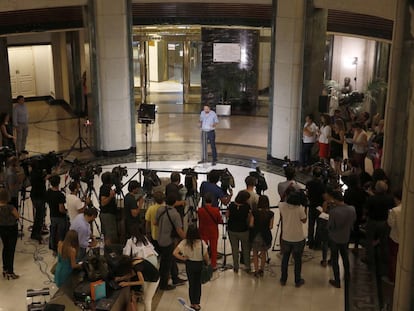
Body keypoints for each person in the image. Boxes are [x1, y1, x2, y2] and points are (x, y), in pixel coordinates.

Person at [173, 225, 209, 311]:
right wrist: (208, 264)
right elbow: (206, 256)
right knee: (198, 285)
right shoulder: (201, 242)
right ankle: (197, 303)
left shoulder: (184, 242)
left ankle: (192, 303)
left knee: (191, 284)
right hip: (199, 265)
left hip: (189, 264)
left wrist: (183, 258)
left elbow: (174, 253)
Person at [155, 193, 186, 290]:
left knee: (171, 259)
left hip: (159, 239)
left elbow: (155, 223)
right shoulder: (175, 214)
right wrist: (187, 239)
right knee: (166, 264)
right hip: (168, 241)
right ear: (175, 202)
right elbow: (179, 230)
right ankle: (163, 284)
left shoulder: (160, 209)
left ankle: (175, 277)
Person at [363, 180, 394, 276]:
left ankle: (369, 259)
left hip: (372, 221)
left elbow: (366, 210)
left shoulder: (371, 199)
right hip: (385, 222)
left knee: (369, 240)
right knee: (384, 241)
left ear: (376, 188)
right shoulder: (390, 199)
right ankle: (385, 260)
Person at [326, 189, 356, 288]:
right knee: (345, 256)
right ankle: (347, 276)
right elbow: (353, 221)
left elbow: (330, 226)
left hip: (335, 238)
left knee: (334, 259)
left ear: (334, 199)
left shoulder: (334, 211)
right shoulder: (352, 209)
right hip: (346, 236)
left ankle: (337, 281)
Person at [279, 188, 307, 287]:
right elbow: (304, 220)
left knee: (285, 259)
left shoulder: (282, 206)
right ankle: (297, 280)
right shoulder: (300, 209)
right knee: (298, 261)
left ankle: (283, 279)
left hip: (286, 237)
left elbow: (282, 199)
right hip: (298, 238)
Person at [226, 190, 251, 273]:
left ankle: (236, 267)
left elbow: (227, 215)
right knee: (245, 249)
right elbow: (249, 218)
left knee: (234, 249)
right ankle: (247, 266)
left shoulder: (231, 205)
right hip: (243, 230)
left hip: (232, 229)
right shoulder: (247, 207)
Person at [249, 195, 274, 277]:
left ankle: (256, 271)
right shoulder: (270, 213)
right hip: (265, 236)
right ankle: (261, 270)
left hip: (255, 235)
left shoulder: (254, 212)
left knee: (255, 253)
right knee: (263, 253)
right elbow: (271, 226)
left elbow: (251, 224)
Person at [197, 192, 222, 270]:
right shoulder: (216, 210)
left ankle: (203, 263)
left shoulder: (200, 210)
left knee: (203, 248)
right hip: (213, 231)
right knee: (214, 249)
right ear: (212, 200)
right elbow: (219, 221)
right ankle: (213, 264)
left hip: (203, 230)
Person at [343, 174, 367, 254]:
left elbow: (345, 203)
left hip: (349, 212)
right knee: (356, 229)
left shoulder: (347, 192)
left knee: (347, 229)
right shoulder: (361, 192)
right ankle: (356, 246)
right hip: (358, 212)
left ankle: (345, 246)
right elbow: (364, 202)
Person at [0, 188, 19, 280]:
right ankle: (10, 272)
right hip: (12, 229)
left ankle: (5, 268)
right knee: (11, 250)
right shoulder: (10, 207)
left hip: (2, 228)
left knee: (5, 247)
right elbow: (17, 216)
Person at [46, 175, 68, 254]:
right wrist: (67, 212)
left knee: (53, 232)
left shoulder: (48, 192)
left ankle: (53, 248)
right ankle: (60, 249)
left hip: (52, 215)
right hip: (60, 217)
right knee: (61, 234)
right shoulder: (60, 195)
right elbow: (61, 209)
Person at [305, 167, 326, 249]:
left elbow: (307, 193)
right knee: (319, 226)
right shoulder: (322, 185)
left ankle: (310, 242)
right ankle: (317, 243)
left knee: (311, 225)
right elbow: (324, 196)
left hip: (311, 206)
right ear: (320, 175)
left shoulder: (309, 183)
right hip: (319, 207)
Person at [29, 159, 48, 243]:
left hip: (36, 195)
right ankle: (35, 234)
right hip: (39, 197)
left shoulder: (33, 173)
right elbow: (44, 179)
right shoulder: (37, 174)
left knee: (39, 215)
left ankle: (37, 231)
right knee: (39, 216)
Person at [387, 188, 402, 282]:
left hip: (395, 237)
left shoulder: (395, 211)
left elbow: (390, 224)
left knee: (393, 258)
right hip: (406, 239)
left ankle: (393, 278)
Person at [99, 172, 118, 244]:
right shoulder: (105, 188)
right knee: (110, 235)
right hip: (108, 215)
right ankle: (109, 251)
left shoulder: (104, 188)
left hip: (106, 214)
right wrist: (111, 196)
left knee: (105, 235)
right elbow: (103, 202)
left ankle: (105, 250)